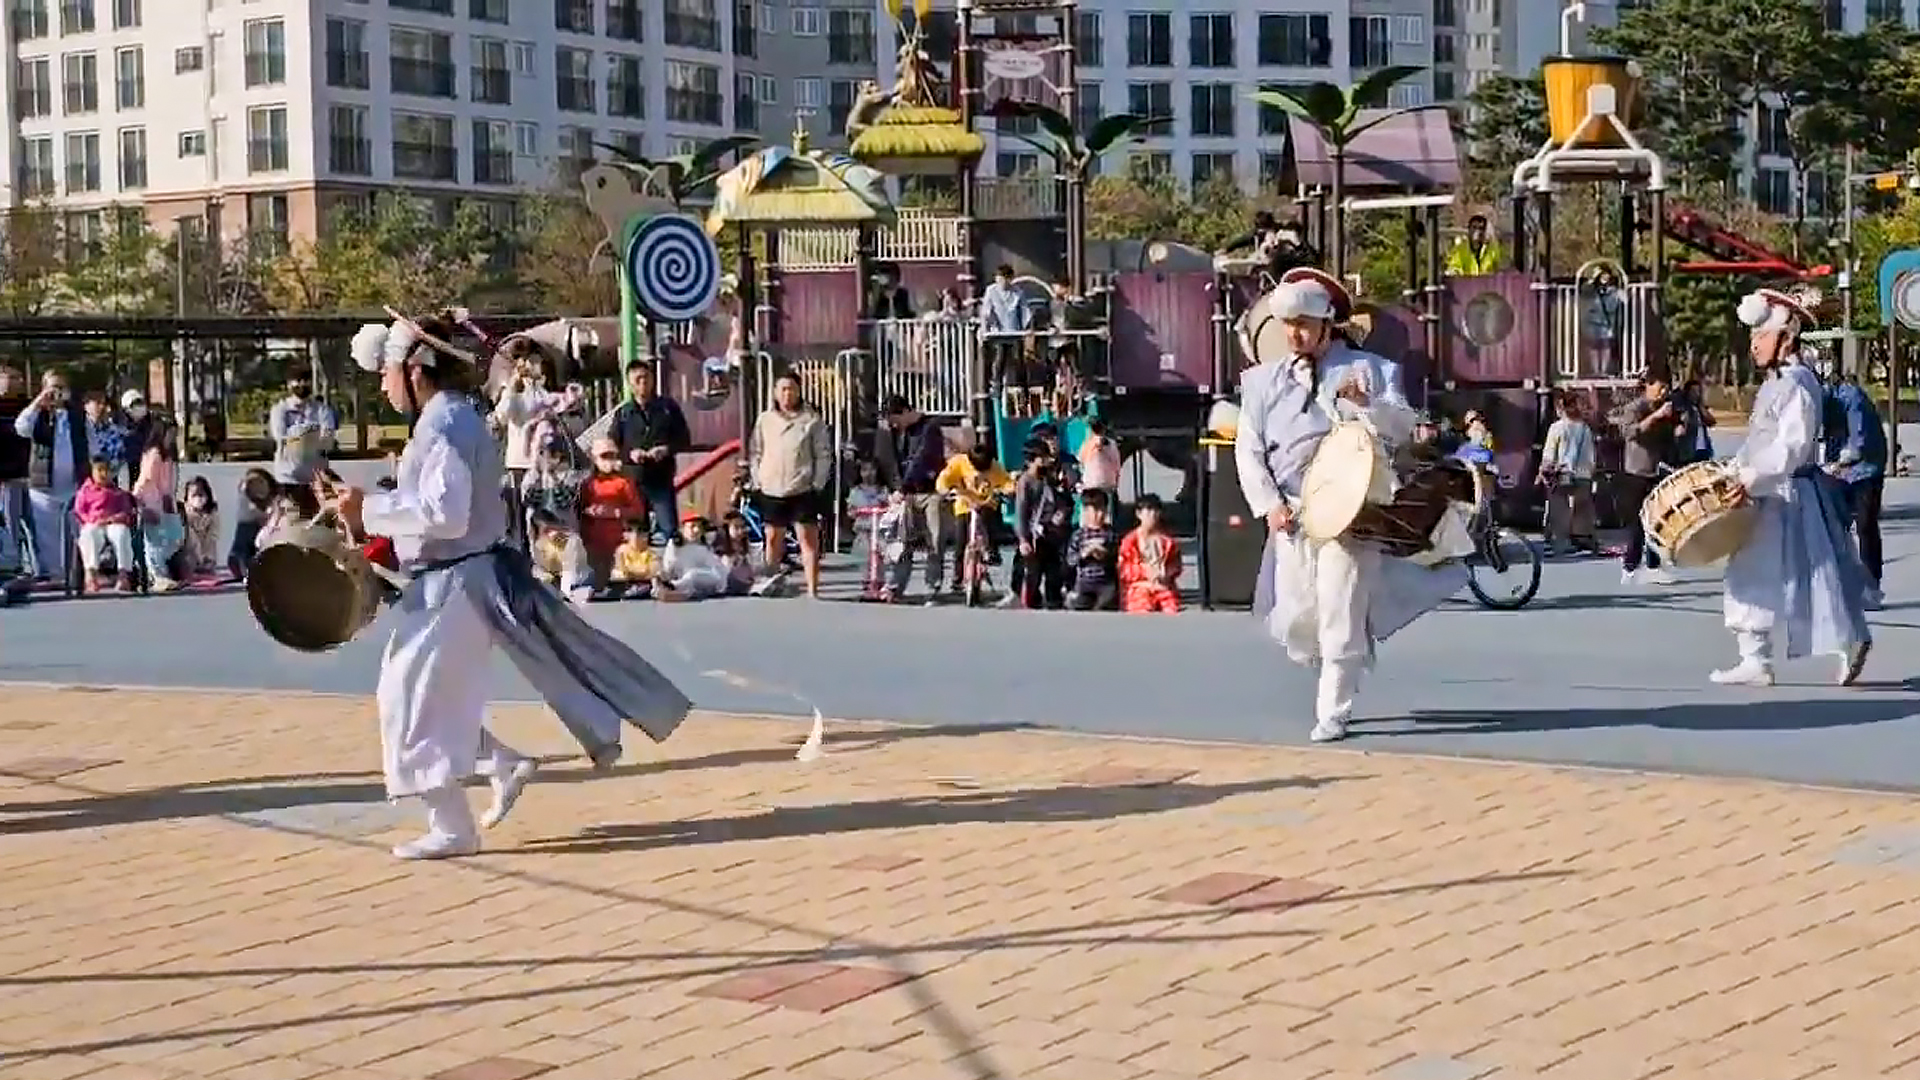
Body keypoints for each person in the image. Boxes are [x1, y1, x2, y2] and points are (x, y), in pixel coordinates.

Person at [330, 309, 691, 861]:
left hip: (456, 583)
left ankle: (455, 822)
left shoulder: (444, 422)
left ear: (417, 370)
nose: (382, 382)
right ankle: (496, 768)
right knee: (424, 698)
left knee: (408, 700)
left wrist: (370, 509)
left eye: (387, 370)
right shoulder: (451, 416)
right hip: (456, 581)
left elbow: (446, 513)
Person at [1232, 267, 1466, 743]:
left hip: (1352, 508)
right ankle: (1344, 659)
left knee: (1342, 603)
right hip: (1293, 513)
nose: (1294, 334)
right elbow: (1248, 448)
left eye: (1303, 323)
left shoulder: (1373, 369)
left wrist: (1366, 404)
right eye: (1287, 324)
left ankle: (1333, 707)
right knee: (1299, 615)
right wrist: (1269, 504)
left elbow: (1400, 429)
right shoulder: (1260, 381)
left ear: (1326, 324)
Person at [1713, 289, 1873, 687]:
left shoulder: (1798, 383)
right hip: (1767, 491)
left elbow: (1791, 447)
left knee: (1818, 574)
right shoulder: (1777, 383)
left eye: (1760, 337)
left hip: (1790, 493)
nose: (1753, 345)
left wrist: (1750, 478)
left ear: (1785, 338)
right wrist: (1735, 471)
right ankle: (1754, 659)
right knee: (1750, 569)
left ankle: (1848, 640)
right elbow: (1761, 442)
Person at [749, 372, 832, 598]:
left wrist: (818, 483)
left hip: (802, 487)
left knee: (807, 539)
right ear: (775, 393)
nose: (787, 394)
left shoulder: (811, 420)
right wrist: (757, 479)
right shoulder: (765, 420)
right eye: (783, 389)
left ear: (799, 391)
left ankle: (812, 589)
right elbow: (756, 452)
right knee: (773, 537)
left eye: (792, 389)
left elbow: (823, 454)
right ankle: (770, 583)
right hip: (772, 486)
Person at [12, 369, 90, 583]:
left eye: (61, 387)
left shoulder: (78, 415)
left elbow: (91, 443)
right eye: (53, 387)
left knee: (78, 529)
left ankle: (76, 572)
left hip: (74, 485)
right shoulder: (37, 414)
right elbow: (21, 428)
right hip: (43, 486)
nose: (57, 392)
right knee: (47, 534)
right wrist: (38, 403)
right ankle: (54, 575)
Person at [1821, 366, 1886, 606]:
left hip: (1865, 470)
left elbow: (1859, 444)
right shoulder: (1827, 404)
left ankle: (1871, 587)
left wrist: (1836, 464)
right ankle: (1844, 584)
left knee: (1866, 526)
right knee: (1835, 527)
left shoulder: (1852, 399)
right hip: (1841, 471)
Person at [875, 395, 950, 603]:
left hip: (929, 491)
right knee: (901, 540)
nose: (894, 425)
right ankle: (897, 585)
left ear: (906, 412)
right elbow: (890, 460)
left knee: (934, 541)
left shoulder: (929, 428)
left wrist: (904, 486)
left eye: (895, 419)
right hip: (905, 493)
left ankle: (932, 586)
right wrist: (896, 488)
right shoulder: (896, 433)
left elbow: (922, 459)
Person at [610, 360, 691, 547]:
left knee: (670, 532)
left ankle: (670, 570)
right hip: (633, 481)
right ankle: (639, 572)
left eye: (646, 378)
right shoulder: (623, 414)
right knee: (636, 534)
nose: (643, 383)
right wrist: (630, 454)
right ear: (630, 384)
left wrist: (666, 449)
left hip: (661, 478)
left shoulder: (668, 408)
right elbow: (613, 446)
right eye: (637, 379)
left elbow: (684, 438)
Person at [1608, 372, 1678, 586]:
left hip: (1657, 470)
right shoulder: (1635, 408)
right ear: (1648, 385)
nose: (1664, 392)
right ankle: (1629, 567)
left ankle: (1653, 565)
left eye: (1667, 388)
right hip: (1636, 472)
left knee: (1658, 521)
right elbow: (1630, 433)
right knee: (1638, 522)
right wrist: (1656, 417)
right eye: (1660, 387)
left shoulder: (1665, 408)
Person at [935, 443, 1015, 588]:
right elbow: (943, 479)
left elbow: (1007, 482)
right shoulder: (959, 463)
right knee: (960, 542)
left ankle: (991, 551)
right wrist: (946, 490)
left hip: (986, 504)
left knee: (990, 525)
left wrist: (1006, 490)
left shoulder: (995, 467)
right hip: (965, 505)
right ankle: (958, 577)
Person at [578, 437, 645, 591]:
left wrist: (614, 512)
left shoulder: (624, 482)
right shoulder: (587, 483)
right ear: (594, 459)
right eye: (603, 456)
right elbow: (577, 510)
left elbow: (638, 511)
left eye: (611, 456)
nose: (608, 460)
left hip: (619, 544)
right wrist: (590, 511)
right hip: (593, 544)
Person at [1538, 392, 1599, 558]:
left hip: (1562, 473)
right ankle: (1582, 538)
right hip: (1584, 474)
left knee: (1559, 507)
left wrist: (1543, 471)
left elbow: (1549, 454)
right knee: (1581, 508)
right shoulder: (1585, 429)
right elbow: (1591, 455)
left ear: (1560, 409)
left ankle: (1561, 542)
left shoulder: (1557, 428)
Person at [1011, 438, 1069, 610]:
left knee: (1053, 572)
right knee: (1031, 574)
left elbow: (1064, 501)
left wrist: (1062, 512)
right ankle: (1030, 601)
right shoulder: (1026, 482)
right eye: (1041, 457)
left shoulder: (1051, 477)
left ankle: (1054, 600)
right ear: (1031, 460)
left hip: (1051, 533)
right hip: (1033, 535)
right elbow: (1021, 511)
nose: (1045, 461)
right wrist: (1023, 539)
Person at [130, 418, 185, 591]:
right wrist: (141, 506)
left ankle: (160, 571)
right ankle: (156, 575)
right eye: (171, 433)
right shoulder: (153, 454)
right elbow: (145, 480)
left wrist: (169, 499)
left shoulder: (167, 455)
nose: (173, 437)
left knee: (175, 537)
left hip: (164, 501)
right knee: (153, 541)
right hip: (150, 501)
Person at [268, 370, 337, 496]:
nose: (302, 384)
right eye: (298, 381)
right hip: (287, 476)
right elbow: (282, 438)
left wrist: (299, 438)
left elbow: (328, 440)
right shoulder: (280, 409)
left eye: (306, 381)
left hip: (316, 478)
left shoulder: (322, 410)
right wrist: (311, 438)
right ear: (289, 384)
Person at [73, 457, 136, 594]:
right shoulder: (85, 491)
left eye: (106, 471)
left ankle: (123, 575)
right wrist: (91, 519)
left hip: (113, 523)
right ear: (92, 472)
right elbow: (79, 511)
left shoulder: (118, 492)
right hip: (94, 523)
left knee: (122, 534)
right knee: (89, 535)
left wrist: (115, 518)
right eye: (99, 470)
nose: (103, 474)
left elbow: (127, 511)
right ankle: (91, 575)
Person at [1120, 492, 1181, 613]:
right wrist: (1145, 572)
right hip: (1140, 587)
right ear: (1139, 514)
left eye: (1155, 511)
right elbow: (1124, 570)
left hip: (1163, 586)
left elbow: (1176, 566)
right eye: (1147, 511)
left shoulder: (1168, 542)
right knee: (1142, 610)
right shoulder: (1130, 541)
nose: (1151, 515)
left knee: (1172, 610)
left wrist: (1165, 573)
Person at [655, 515, 730, 601]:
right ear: (682, 529)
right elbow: (669, 568)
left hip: (710, 580)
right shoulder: (674, 546)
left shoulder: (704, 547)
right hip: (687, 581)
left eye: (699, 527)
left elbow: (715, 572)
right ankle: (677, 591)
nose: (697, 530)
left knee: (693, 574)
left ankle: (673, 587)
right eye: (692, 526)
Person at [1066, 488, 1119, 611]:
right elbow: (1070, 560)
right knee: (1080, 606)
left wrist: (1106, 555)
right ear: (1085, 511)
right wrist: (1084, 554)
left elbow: (1118, 555)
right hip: (1085, 582)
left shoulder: (1111, 533)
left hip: (1106, 583)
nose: (1096, 515)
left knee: (1107, 604)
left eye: (1100, 510)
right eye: (1092, 510)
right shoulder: (1079, 535)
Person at [228, 468, 277, 579]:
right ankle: (241, 561)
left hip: (262, 530)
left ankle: (251, 565)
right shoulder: (245, 497)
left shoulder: (273, 500)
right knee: (243, 546)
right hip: (247, 527)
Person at [180, 476, 221, 578]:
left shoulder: (212, 513)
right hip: (189, 550)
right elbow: (189, 537)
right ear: (187, 498)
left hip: (206, 549)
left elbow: (213, 535)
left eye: (201, 494)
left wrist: (208, 557)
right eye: (194, 495)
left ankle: (205, 563)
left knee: (208, 567)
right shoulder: (184, 513)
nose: (198, 498)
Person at [1077, 418, 1121, 506]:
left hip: (1107, 488)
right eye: (1095, 428)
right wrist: (1094, 447)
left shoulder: (1111, 444)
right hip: (1090, 487)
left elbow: (1116, 465)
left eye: (1100, 428)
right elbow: (1082, 460)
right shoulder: (1087, 444)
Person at [1674, 378, 1717, 463]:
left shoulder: (1700, 409)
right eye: (1693, 391)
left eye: (1698, 391)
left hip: (1704, 449)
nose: (1696, 394)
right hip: (1690, 451)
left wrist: (1700, 406)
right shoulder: (1684, 409)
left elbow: (1711, 422)